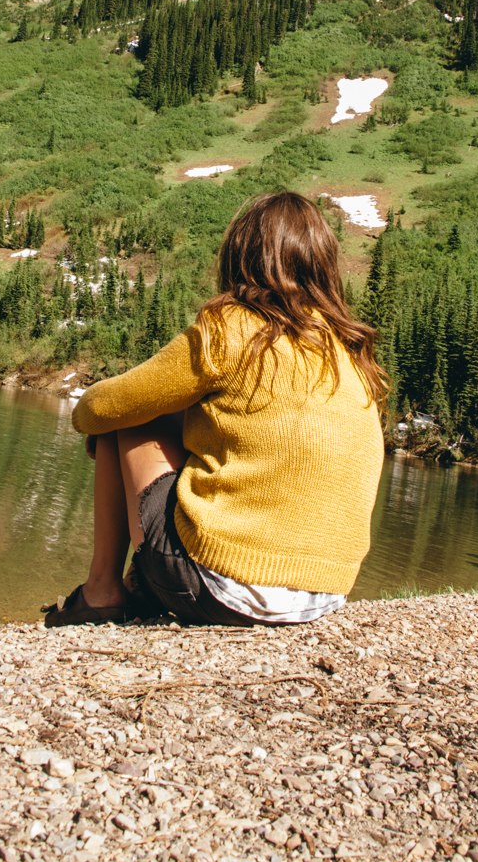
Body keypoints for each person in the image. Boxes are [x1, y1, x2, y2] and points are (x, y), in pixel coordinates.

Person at [43, 191, 387, 629]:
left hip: (224, 589)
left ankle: (102, 590)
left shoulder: (233, 327)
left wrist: (106, 428)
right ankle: (134, 586)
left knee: (129, 419)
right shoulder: (348, 351)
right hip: (325, 594)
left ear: (241, 255)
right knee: (187, 422)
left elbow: (100, 408)